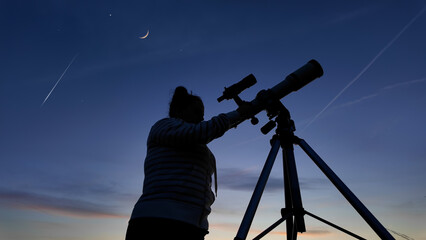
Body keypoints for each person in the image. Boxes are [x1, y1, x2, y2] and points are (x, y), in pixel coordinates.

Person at [126, 86, 252, 240]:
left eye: (203, 115)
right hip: (159, 222)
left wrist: (239, 116)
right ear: (179, 111)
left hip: (190, 226)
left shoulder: (193, 141)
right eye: (196, 112)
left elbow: (206, 130)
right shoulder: (165, 125)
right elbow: (201, 131)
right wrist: (239, 114)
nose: (201, 118)